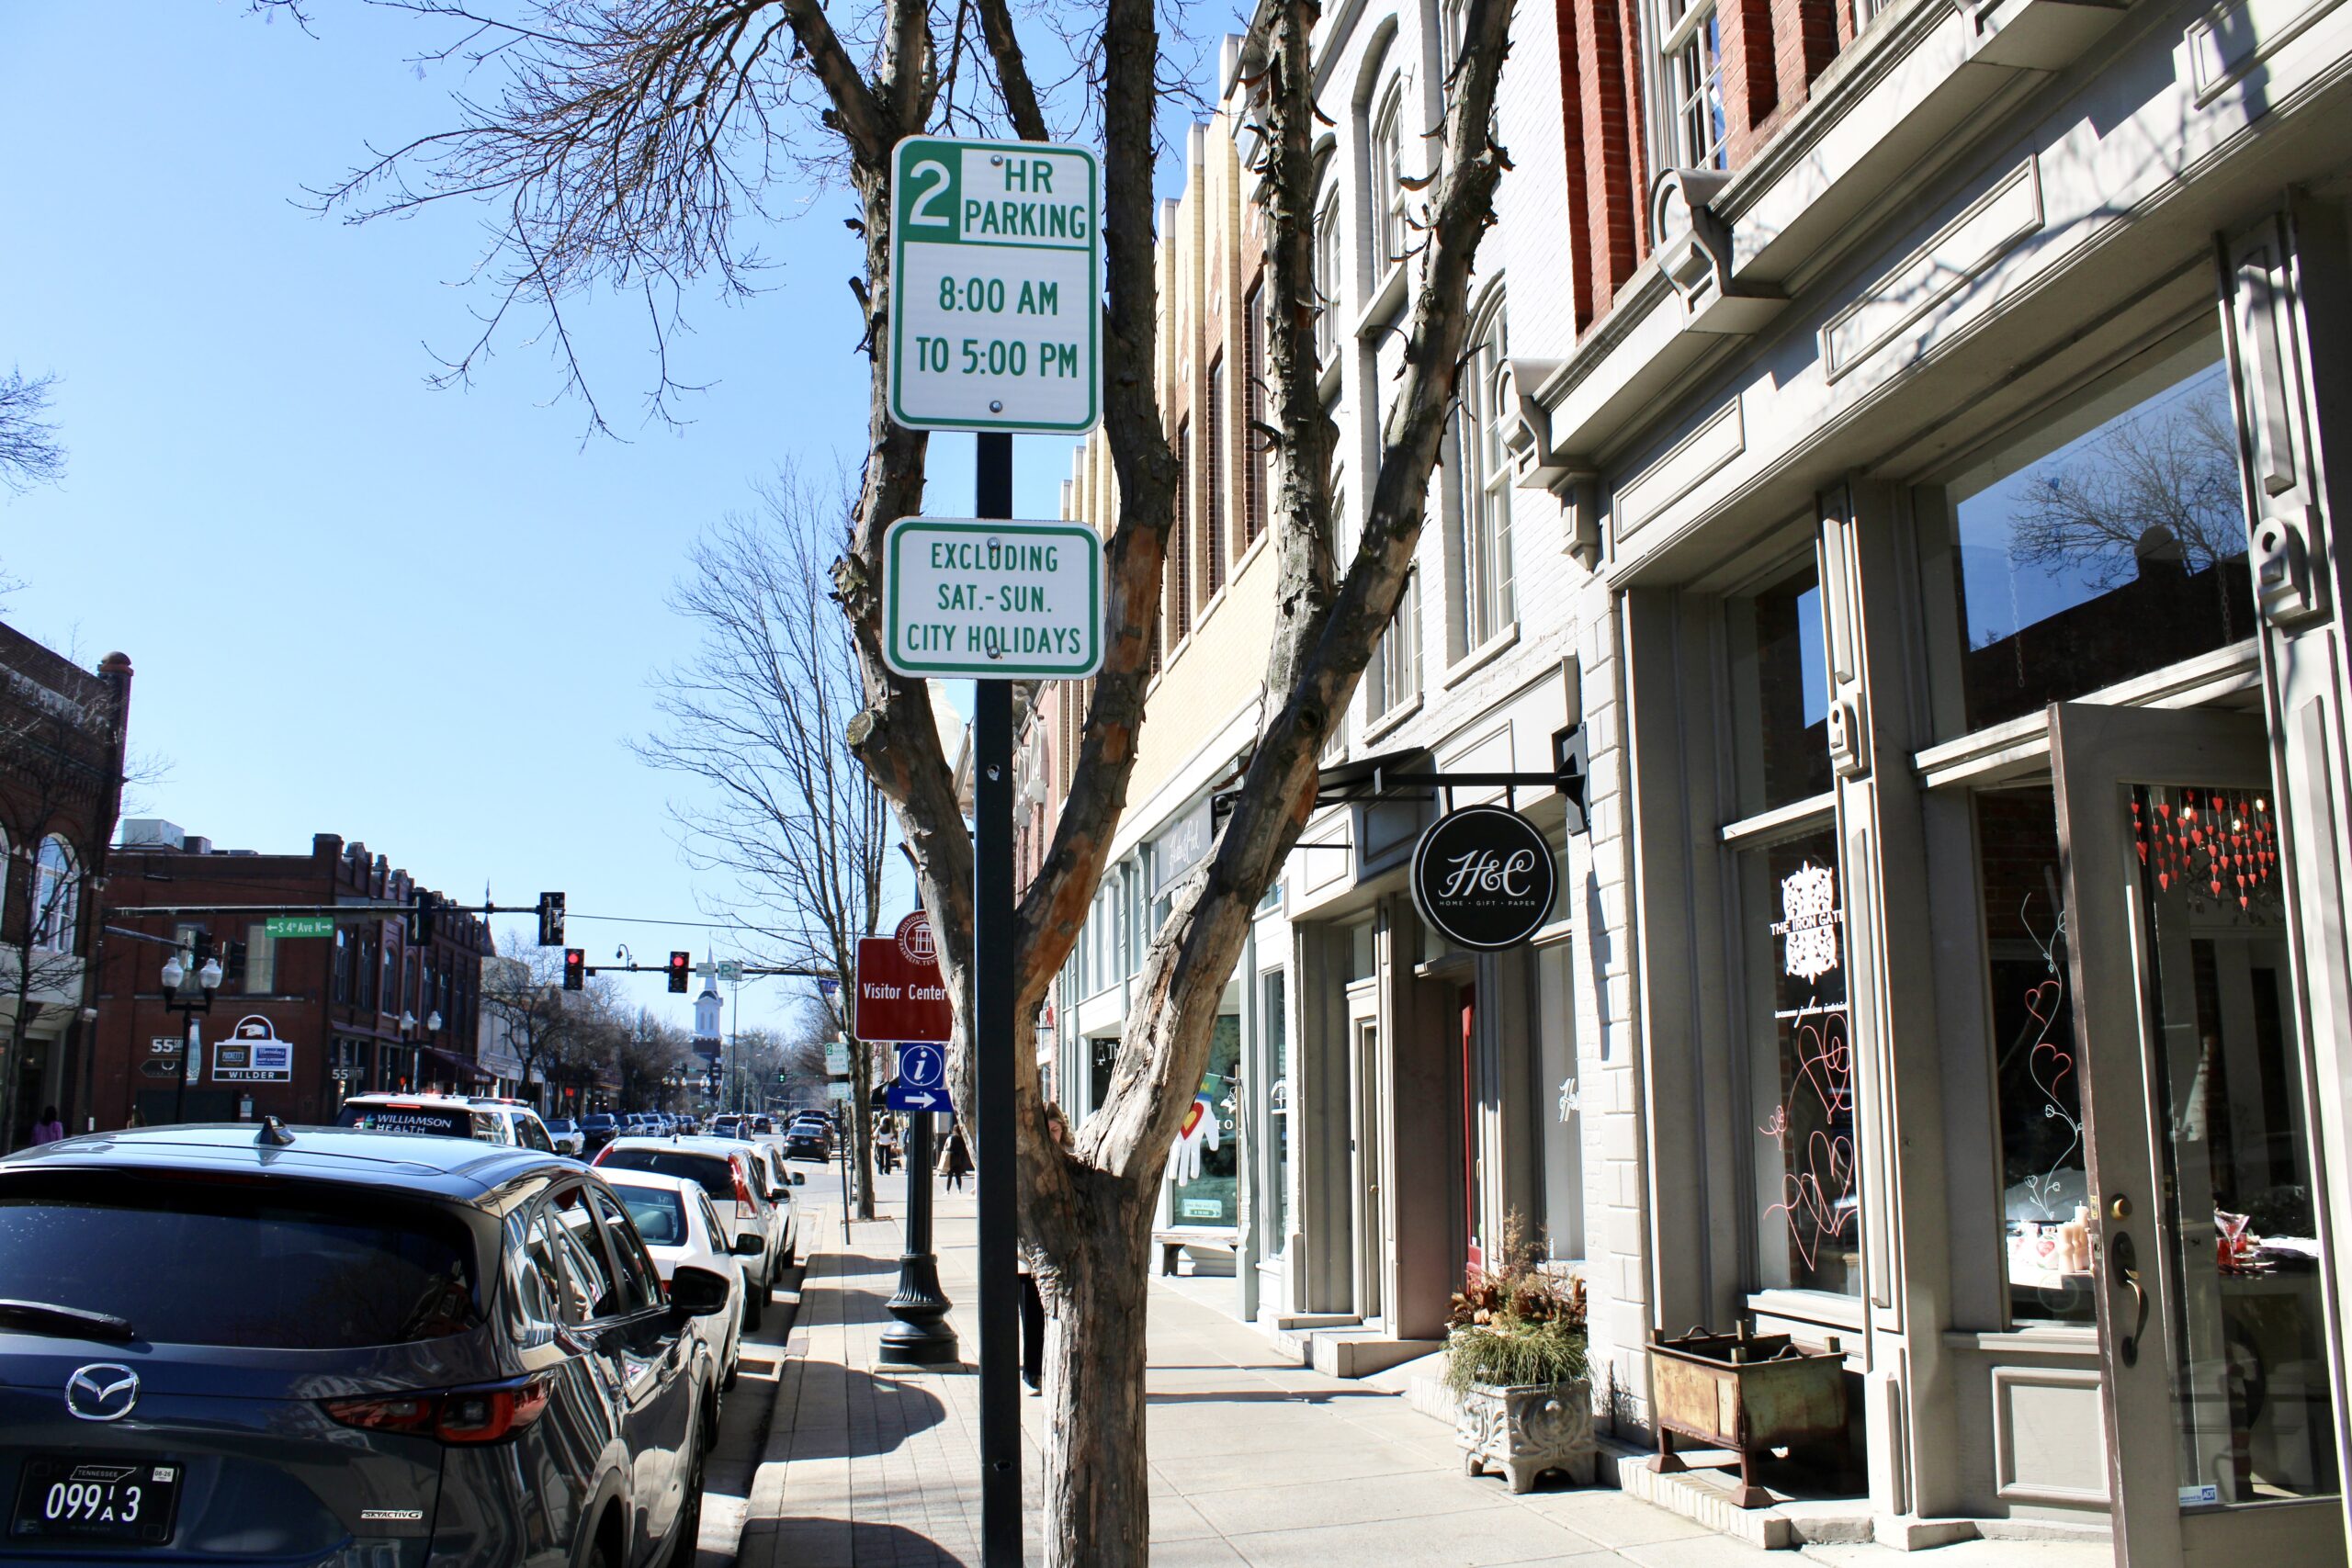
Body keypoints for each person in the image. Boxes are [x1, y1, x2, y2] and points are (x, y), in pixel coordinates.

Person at [944, 1121, 973, 1191]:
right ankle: (959, 1189)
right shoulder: (962, 1139)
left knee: (950, 1175)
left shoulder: (951, 1138)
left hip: (951, 1158)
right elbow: (964, 1149)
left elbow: (948, 1147)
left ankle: (948, 1190)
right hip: (959, 1159)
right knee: (958, 1175)